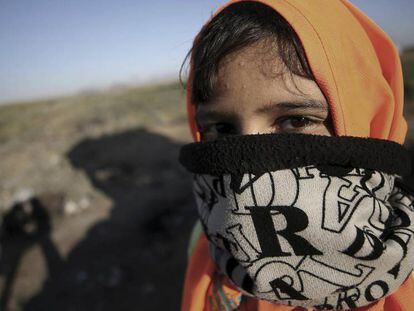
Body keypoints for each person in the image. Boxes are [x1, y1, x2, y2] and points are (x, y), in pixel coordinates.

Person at [178, 0, 414, 310]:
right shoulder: (206, 243)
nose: (245, 176)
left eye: (296, 121)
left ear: (371, 119)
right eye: (222, 128)